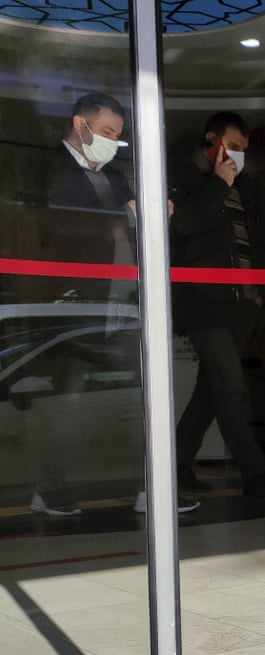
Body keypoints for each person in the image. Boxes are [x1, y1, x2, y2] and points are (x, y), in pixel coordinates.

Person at [29, 93, 198, 515]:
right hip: (74, 304)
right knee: (66, 399)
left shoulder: (118, 176)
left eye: (118, 135)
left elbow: (134, 228)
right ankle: (50, 486)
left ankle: (150, 487)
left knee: (142, 395)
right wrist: (124, 217)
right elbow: (55, 226)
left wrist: (157, 214)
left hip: (123, 303)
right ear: (80, 125)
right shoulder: (48, 167)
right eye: (107, 132)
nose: (112, 142)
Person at [167, 111, 265, 501]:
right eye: (232, 147)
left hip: (241, 305)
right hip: (205, 305)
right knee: (231, 390)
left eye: (243, 150)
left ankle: (176, 465)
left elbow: (256, 240)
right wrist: (219, 184)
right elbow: (183, 227)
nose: (238, 156)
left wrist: (258, 292)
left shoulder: (244, 187)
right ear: (211, 142)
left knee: (212, 391)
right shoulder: (185, 180)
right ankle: (255, 476)